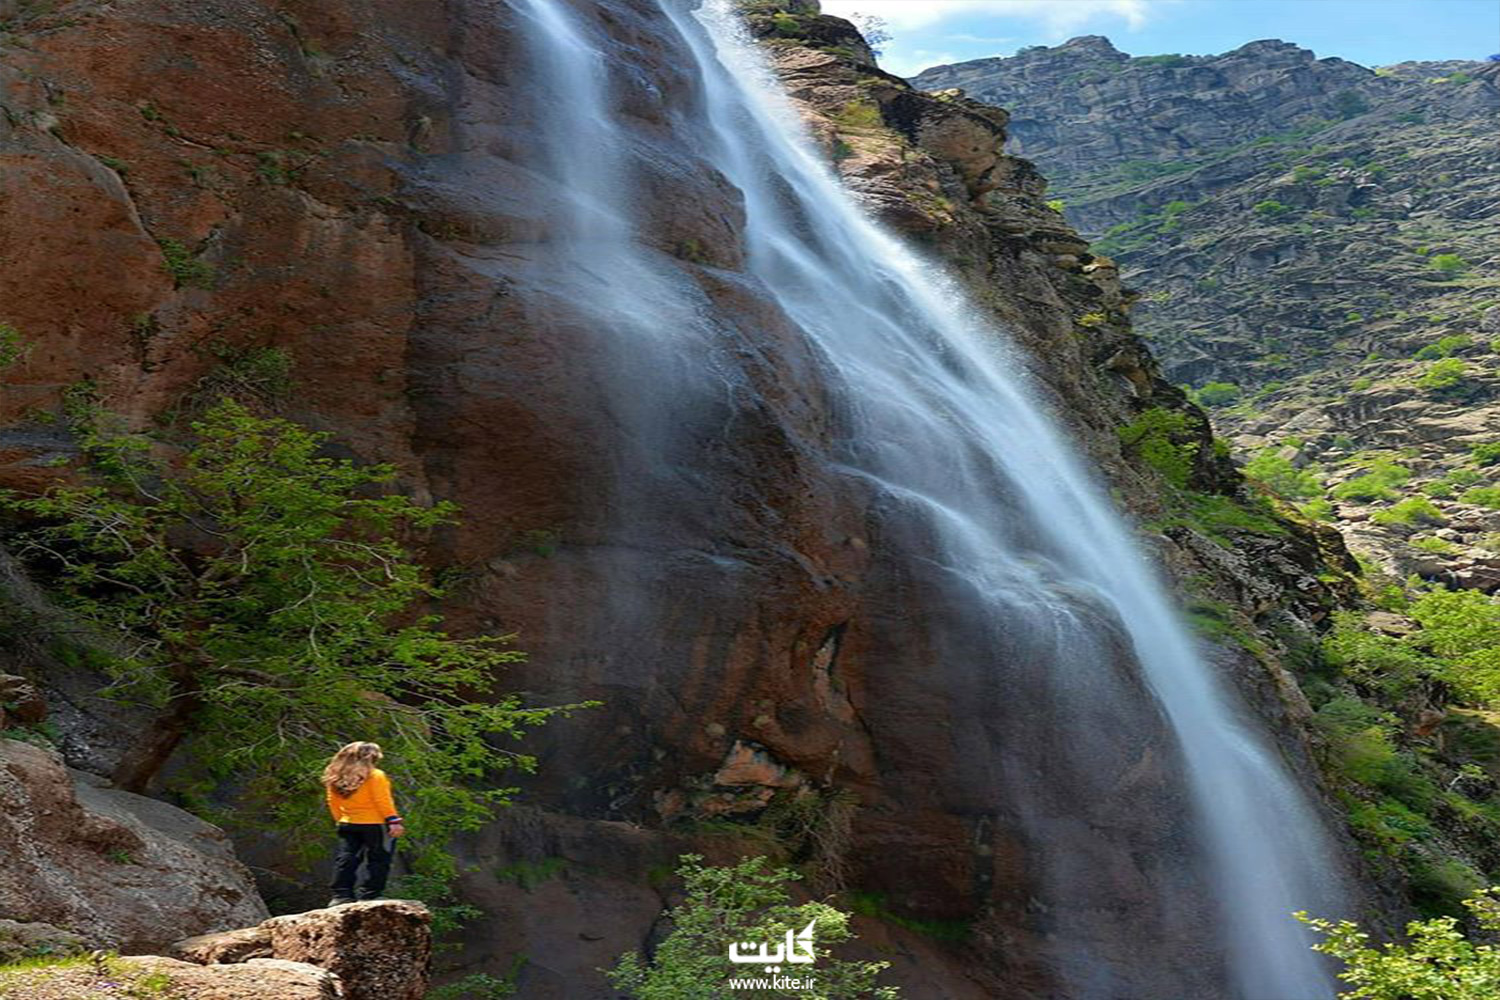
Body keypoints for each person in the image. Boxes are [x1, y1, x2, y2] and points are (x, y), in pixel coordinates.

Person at [321, 741, 405, 906]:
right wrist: (393, 821)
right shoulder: (375, 775)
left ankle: (341, 895)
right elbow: (382, 800)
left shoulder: (335, 775)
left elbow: (332, 801)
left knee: (347, 858)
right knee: (379, 859)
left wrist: (340, 819)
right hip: (375, 824)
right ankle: (370, 894)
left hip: (348, 823)